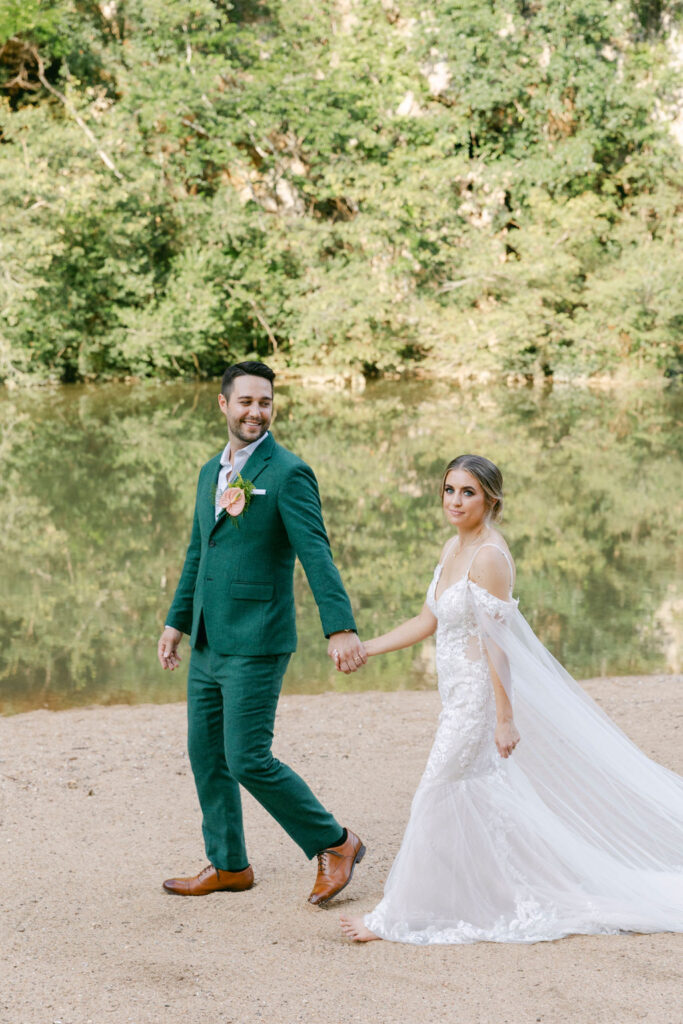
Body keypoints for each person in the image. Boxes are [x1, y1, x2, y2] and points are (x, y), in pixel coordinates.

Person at [340, 454, 683, 944]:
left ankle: (393, 919)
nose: (455, 501)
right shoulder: (453, 546)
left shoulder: (489, 558)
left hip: (479, 699)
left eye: (468, 493)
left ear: (491, 500)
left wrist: (505, 718)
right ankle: (494, 892)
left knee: (434, 792)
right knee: (473, 794)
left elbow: (498, 646)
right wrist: (365, 648)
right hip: (454, 693)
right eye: (449, 490)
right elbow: (428, 619)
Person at [158, 360, 367, 905]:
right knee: (207, 755)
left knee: (248, 757)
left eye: (266, 402)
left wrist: (340, 627)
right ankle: (228, 865)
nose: (257, 411)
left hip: (257, 637)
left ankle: (335, 843)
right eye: (246, 401)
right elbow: (198, 551)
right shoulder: (211, 472)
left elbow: (315, 552)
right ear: (224, 405)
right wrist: (176, 621)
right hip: (206, 638)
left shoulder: (288, 472)